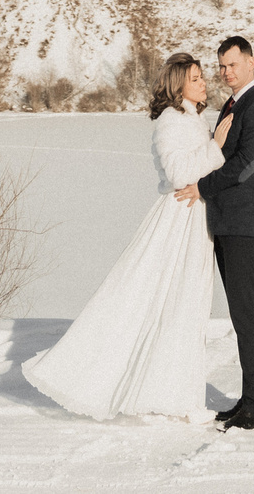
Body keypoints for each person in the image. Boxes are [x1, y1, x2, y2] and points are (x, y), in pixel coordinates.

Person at [20, 52, 224, 421]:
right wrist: (216, 146)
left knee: (187, 305)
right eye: (195, 78)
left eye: (201, 76)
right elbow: (178, 174)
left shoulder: (193, 117)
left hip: (195, 218)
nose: (204, 82)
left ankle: (174, 394)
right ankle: (121, 383)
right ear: (178, 86)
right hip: (179, 218)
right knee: (160, 299)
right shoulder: (171, 120)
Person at [176, 34, 254, 429]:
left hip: (247, 224)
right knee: (241, 312)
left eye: (233, 64)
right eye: (221, 66)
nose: (226, 72)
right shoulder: (233, 106)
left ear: (251, 62)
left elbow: (249, 165)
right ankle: (252, 398)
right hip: (229, 222)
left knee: (246, 312)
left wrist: (202, 187)